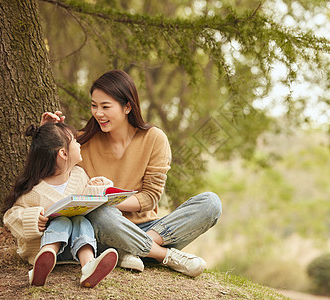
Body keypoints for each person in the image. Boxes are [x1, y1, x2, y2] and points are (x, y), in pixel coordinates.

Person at [41, 69, 222, 278]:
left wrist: (106, 200)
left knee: (211, 203)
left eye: (105, 106)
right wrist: (49, 135)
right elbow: (50, 173)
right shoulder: (80, 142)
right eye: (94, 106)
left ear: (128, 106)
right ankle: (163, 256)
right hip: (103, 228)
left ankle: (128, 249)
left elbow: (150, 197)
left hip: (151, 227)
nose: (98, 113)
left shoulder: (154, 138)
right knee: (100, 214)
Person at [3, 123, 118, 288]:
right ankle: (43, 261)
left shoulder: (79, 175)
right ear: (63, 153)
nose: (80, 145)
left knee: (80, 220)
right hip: (42, 249)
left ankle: (88, 266)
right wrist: (33, 219)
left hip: (73, 249)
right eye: (75, 142)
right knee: (61, 221)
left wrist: (99, 186)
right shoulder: (34, 191)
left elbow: (87, 200)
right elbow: (10, 216)